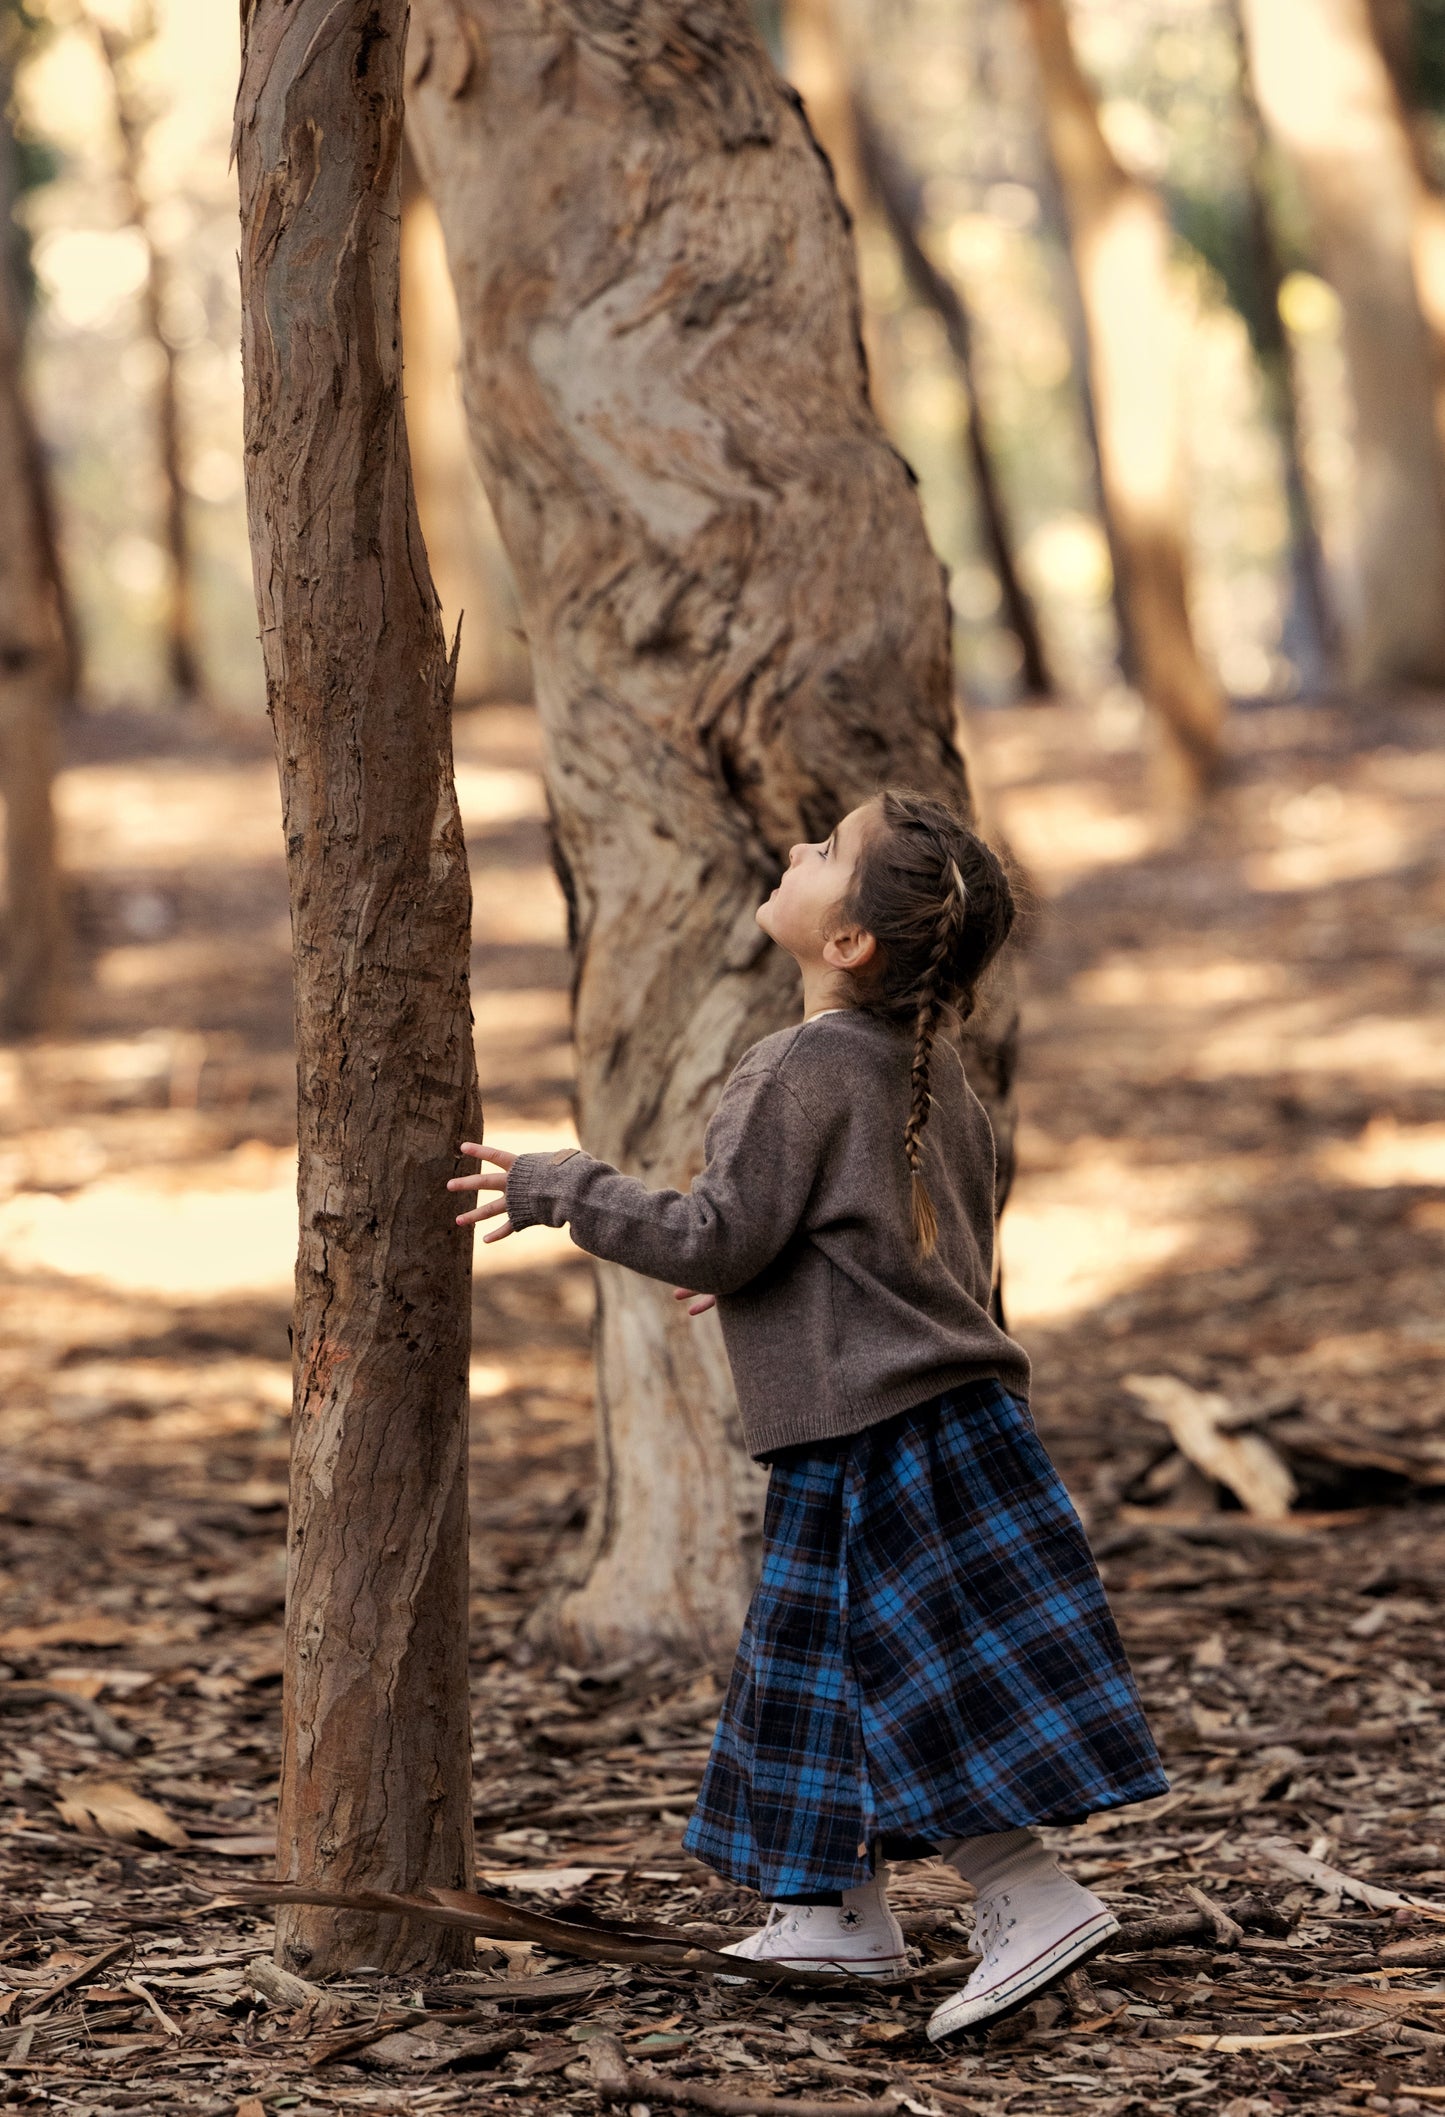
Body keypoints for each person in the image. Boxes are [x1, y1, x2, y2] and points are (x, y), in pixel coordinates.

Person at [447, 788, 1167, 2040]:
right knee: (825, 1670)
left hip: (876, 1436)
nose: (795, 848)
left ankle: (1025, 1890)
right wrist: (768, 1290)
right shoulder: (929, 1077)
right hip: (951, 1422)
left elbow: (719, 1234)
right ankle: (835, 1910)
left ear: (849, 944)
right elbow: (884, 1251)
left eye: (825, 850)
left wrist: (566, 1184)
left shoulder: (797, 1066)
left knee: (910, 1671)